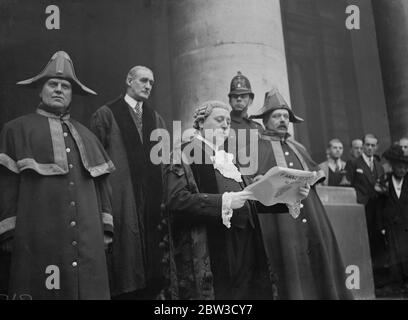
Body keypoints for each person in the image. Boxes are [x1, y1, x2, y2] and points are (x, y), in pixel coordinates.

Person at [0, 51, 114, 299]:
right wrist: (8, 232)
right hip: (36, 236)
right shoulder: (15, 131)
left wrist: (105, 229)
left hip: (87, 240)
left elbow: (103, 188)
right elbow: (6, 185)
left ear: (72, 94)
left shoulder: (88, 136)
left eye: (65, 86)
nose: (59, 90)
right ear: (40, 90)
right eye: (53, 84)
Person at [163, 101, 291, 300]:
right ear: (201, 123)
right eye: (219, 119)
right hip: (217, 243)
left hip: (246, 239)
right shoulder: (185, 152)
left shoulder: (228, 159)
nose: (225, 125)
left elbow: (247, 199)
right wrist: (224, 201)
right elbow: (177, 201)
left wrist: (286, 200)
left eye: (228, 121)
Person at [248, 88, 353, 299]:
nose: (282, 120)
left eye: (286, 116)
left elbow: (314, 175)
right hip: (278, 219)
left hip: (310, 212)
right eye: (277, 116)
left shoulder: (297, 146)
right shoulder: (254, 147)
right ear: (266, 120)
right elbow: (250, 182)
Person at [91, 66, 167, 299]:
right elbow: (95, 163)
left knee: (153, 270)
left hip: (151, 202)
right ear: (129, 80)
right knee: (124, 265)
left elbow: (163, 165)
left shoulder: (156, 119)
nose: (147, 86)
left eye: (151, 83)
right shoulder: (106, 114)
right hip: (120, 200)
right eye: (143, 80)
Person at [345, 134, 386, 281]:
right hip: (361, 209)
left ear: (377, 147)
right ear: (363, 146)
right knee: (362, 244)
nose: (370, 148)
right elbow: (347, 185)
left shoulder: (379, 166)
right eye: (367, 145)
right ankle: (363, 278)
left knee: (376, 243)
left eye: (373, 145)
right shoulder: (354, 163)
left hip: (376, 211)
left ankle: (378, 279)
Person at [376, 145, 408, 289]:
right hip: (391, 224)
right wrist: (381, 225)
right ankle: (397, 281)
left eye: (405, 168)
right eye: (400, 167)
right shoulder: (385, 180)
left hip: (406, 224)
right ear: (394, 167)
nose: (403, 170)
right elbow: (379, 205)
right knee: (394, 252)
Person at [227, 71, 263, 157]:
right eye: (235, 96)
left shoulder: (258, 128)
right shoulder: (223, 125)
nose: (239, 99)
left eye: (243, 96)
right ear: (230, 101)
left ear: (250, 100)